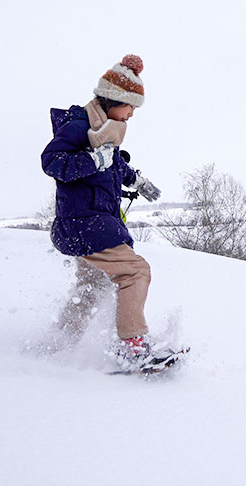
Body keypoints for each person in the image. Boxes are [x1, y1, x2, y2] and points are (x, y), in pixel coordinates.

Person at [39, 54, 162, 364]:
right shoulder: (80, 126)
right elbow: (52, 162)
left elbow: (113, 162)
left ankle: (57, 343)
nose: (133, 113)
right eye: (130, 106)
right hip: (85, 223)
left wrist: (136, 179)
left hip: (90, 222)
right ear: (112, 99)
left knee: (91, 286)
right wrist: (91, 161)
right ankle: (132, 346)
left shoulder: (105, 128)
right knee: (135, 271)